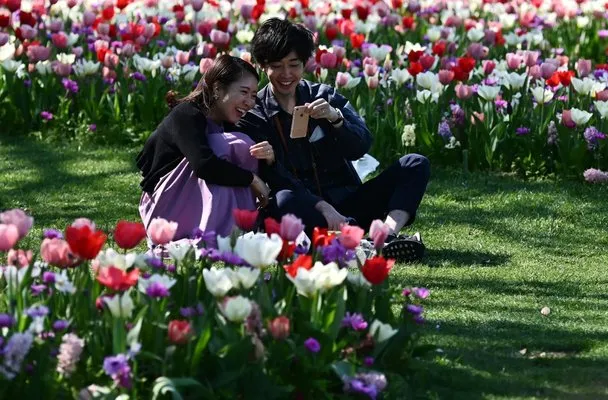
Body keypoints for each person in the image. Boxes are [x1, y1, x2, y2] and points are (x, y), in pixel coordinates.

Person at [237, 18, 430, 261]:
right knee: (284, 199)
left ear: (305, 63)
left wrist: (335, 119)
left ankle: (385, 237)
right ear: (262, 66)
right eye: (277, 66)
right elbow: (272, 178)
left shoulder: (323, 96)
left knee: (414, 163)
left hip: (349, 202)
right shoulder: (256, 115)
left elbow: (361, 146)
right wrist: (321, 206)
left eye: (293, 64)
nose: (286, 74)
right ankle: (356, 243)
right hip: (305, 209)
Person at [136, 55, 275, 242]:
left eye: (253, 96)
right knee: (226, 145)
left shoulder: (227, 121)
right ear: (217, 88)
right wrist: (253, 180)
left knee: (243, 145)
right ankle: (221, 231)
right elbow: (204, 166)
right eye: (244, 92)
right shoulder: (186, 114)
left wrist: (269, 157)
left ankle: (236, 228)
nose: (249, 103)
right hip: (164, 211)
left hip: (192, 201)